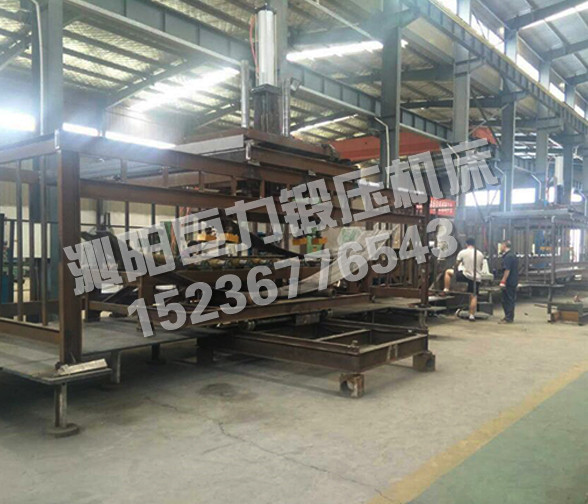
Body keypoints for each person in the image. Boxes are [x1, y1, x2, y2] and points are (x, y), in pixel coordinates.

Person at [443, 237, 484, 321]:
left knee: (448, 272)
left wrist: (455, 271)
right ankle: (471, 316)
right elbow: (481, 266)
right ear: (474, 244)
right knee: (473, 296)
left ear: (466, 244)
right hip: (476, 278)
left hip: (465, 276)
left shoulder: (463, 252)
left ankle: (446, 289)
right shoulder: (480, 254)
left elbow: (457, 264)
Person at [499, 240, 518, 323]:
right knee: (508, 299)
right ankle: (508, 317)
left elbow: (507, 270)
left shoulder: (508, 257)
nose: (500, 247)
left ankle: (509, 318)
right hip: (513, 280)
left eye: (501, 245)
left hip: (509, 282)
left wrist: (503, 280)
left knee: (508, 300)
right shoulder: (512, 255)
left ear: (504, 245)